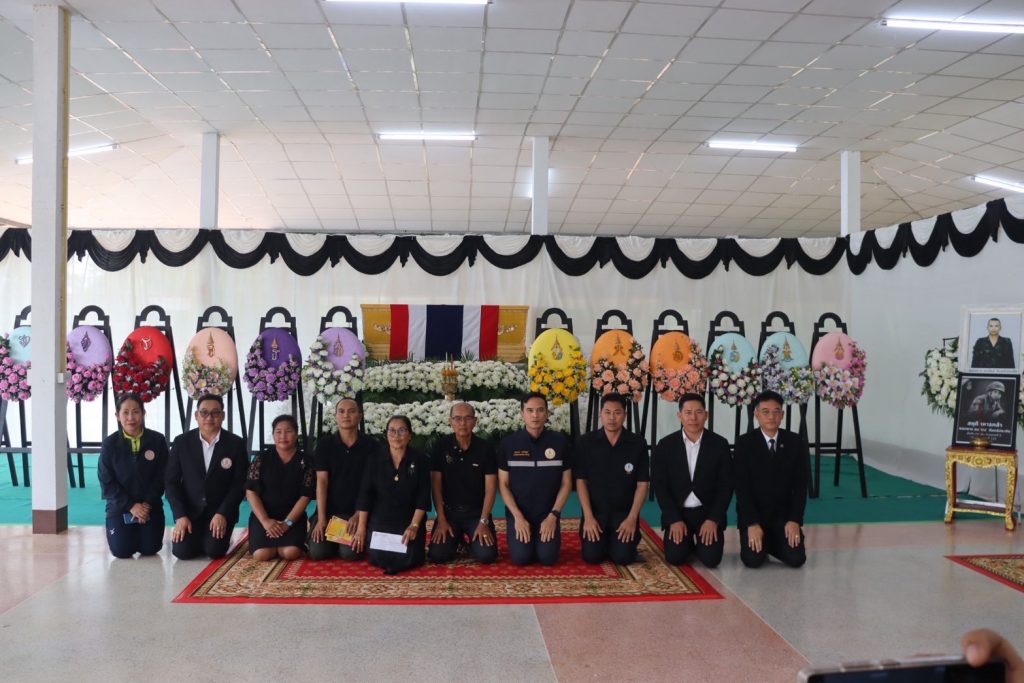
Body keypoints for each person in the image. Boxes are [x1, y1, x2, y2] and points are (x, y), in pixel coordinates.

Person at [652, 392, 733, 568]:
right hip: (679, 512)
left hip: (707, 512)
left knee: (711, 559)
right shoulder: (665, 445)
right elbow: (660, 486)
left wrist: (713, 519)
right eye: (688, 413)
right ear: (679, 415)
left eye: (698, 412)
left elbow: (726, 486)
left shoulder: (720, 444)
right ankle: (686, 542)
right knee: (675, 557)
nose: (693, 418)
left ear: (706, 415)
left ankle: (700, 543)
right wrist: (673, 519)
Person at [165, 393, 248, 560]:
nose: (209, 417)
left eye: (215, 413)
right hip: (190, 511)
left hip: (219, 512)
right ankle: (199, 536)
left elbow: (239, 484)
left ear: (222, 416)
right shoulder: (181, 442)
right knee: (182, 552)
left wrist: (223, 513)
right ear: (196, 415)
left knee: (214, 551)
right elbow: (171, 482)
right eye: (204, 412)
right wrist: (180, 516)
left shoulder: (236, 444)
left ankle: (216, 537)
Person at [733, 390, 810, 569]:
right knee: (753, 561)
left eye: (776, 412)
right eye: (765, 411)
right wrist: (751, 523)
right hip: (756, 517)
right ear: (756, 414)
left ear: (782, 415)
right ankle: (761, 541)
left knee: (797, 559)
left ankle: (772, 543)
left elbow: (800, 486)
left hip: (784, 518)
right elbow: (742, 488)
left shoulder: (795, 442)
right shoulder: (744, 443)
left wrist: (794, 520)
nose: (771, 417)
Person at [497, 392, 572, 567]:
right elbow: (503, 485)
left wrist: (553, 516)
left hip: (548, 513)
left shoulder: (560, 442)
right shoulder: (508, 444)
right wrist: (517, 517)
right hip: (519, 513)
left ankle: (543, 538)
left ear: (547, 413)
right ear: (522, 414)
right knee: (521, 558)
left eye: (540, 410)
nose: (535, 415)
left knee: (548, 558)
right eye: (530, 410)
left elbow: (567, 483)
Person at [575, 393, 650, 565]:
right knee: (592, 557)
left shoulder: (637, 443)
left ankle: (623, 544)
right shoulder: (585, 442)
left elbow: (642, 484)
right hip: (596, 512)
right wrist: (588, 517)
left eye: (617, 413)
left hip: (624, 514)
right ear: (600, 414)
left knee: (623, 558)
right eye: (607, 412)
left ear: (625, 415)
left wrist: (632, 518)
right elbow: (581, 481)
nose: (612, 418)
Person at [353, 415, 431, 575]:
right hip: (381, 520)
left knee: (411, 557)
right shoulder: (374, 459)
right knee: (378, 557)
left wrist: (414, 526)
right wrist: (361, 529)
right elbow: (365, 495)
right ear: (386, 434)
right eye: (392, 431)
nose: (396, 435)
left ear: (410, 435)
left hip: (408, 521)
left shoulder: (420, 460)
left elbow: (423, 497)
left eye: (402, 430)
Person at [97, 393, 169, 559]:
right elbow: (106, 481)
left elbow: (163, 476)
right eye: (125, 412)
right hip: (120, 507)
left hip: (150, 507)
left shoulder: (157, 440)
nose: (131, 418)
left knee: (150, 548)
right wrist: (131, 506)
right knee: (122, 551)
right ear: (117, 416)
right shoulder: (109, 444)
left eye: (136, 412)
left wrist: (146, 504)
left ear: (143, 414)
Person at [427, 402, 499, 564]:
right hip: (449, 513)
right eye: (457, 418)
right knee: (438, 555)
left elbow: (491, 488)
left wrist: (484, 521)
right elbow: (436, 486)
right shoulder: (441, 447)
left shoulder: (486, 448)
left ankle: (469, 542)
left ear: (475, 421)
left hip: (476, 513)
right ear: (450, 421)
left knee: (487, 556)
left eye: (467, 418)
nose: (462, 423)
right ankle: (457, 540)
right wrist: (441, 519)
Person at [308, 398, 378, 561]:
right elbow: (322, 482)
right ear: (336, 416)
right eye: (341, 411)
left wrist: (359, 515)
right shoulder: (325, 445)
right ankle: (331, 535)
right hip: (329, 512)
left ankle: (343, 540)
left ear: (360, 416)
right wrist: (322, 518)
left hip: (358, 513)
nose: (346, 415)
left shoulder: (372, 446)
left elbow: (373, 485)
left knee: (350, 553)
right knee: (318, 552)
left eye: (351, 411)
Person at [245, 414, 314, 562]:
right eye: (278, 432)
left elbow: (305, 496)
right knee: (262, 554)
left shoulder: (306, 461)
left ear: (296, 434)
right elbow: (251, 492)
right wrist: (265, 521)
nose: (283, 436)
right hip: (264, 515)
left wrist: (287, 523)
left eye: (288, 431)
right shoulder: (262, 459)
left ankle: (289, 540)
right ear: (273, 434)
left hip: (292, 518)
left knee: (290, 553)